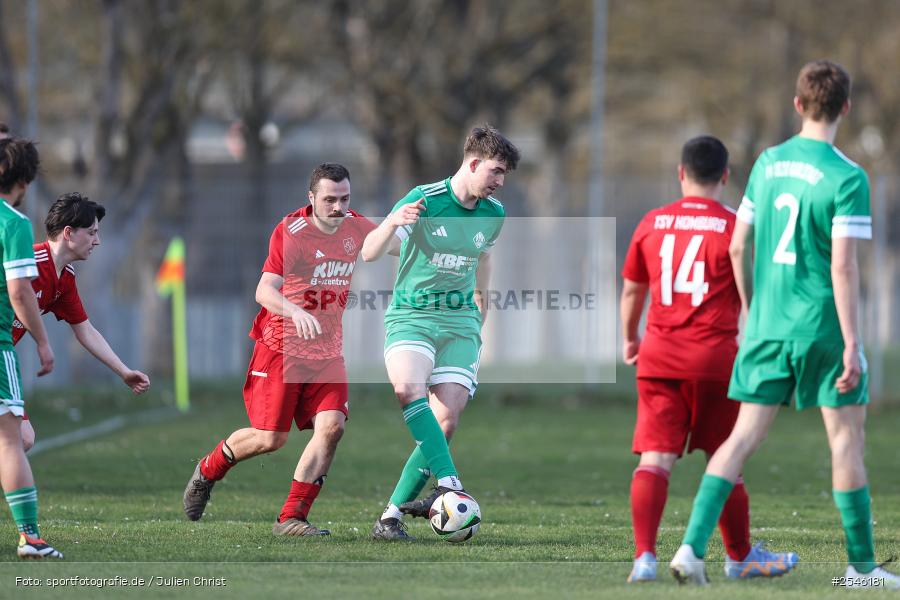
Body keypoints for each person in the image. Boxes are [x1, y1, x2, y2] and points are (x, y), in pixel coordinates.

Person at [670, 60, 900, 588]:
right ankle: (861, 569)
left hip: (767, 327)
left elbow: (736, 244)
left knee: (741, 438)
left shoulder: (768, 164)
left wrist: (751, 310)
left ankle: (689, 550)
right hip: (821, 327)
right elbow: (842, 266)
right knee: (846, 441)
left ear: (797, 105)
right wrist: (853, 344)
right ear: (845, 107)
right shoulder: (848, 176)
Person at [621, 136, 797, 582]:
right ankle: (739, 557)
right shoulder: (736, 226)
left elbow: (632, 289)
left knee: (655, 460)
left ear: (681, 173)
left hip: (659, 356)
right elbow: (752, 291)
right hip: (718, 360)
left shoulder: (653, 221)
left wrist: (629, 338)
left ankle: (644, 559)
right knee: (727, 458)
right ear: (725, 176)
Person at [183, 163, 375, 536]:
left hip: (328, 352)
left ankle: (291, 518)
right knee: (271, 438)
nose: (338, 208)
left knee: (333, 427)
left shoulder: (356, 226)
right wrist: (295, 310)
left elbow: (399, 248)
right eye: (330, 200)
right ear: (311, 198)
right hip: (281, 349)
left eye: (345, 199)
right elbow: (264, 291)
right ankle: (208, 470)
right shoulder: (292, 231)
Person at [362, 125, 518, 540]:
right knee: (408, 389)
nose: (501, 182)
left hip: (460, 322)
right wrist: (392, 220)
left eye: (504, 175)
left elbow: (483, 259)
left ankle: (390, 518)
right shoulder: (424, 199)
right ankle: (449, 482)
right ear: (473, 163)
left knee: (445, 420)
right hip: (412, 316)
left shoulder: (495, 214)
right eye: (497, 171)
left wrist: (481, 305)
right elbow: (371, 251)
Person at [13, 193, 150, 451]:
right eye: (91, 233)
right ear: (68, 232)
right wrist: (42, 343)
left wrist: (124, 372)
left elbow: (85, 330)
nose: (97, 241)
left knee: (22, 438)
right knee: (18, 438)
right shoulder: (28, 261)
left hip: (3, 360)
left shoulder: (64, 279)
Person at [0, 137, 62, 558]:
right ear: (24, 180)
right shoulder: (14, 223)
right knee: (11, 440)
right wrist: (42, 342)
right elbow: (20, 291)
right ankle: (31, 537)